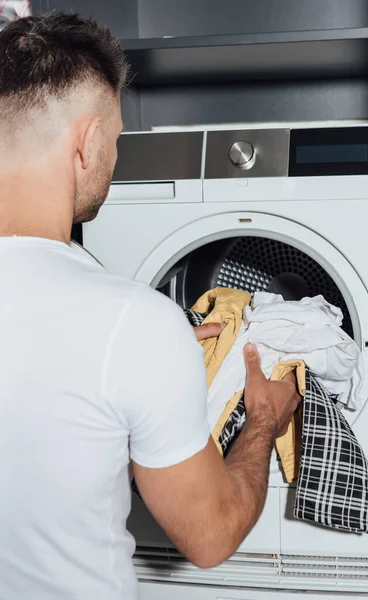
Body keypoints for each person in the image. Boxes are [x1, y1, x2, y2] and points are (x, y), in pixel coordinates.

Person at [0, 12, 301, 600]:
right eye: (115, 139)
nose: (113, 159)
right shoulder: (129, 322)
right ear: (87, 143)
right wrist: (265, 418)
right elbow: (210, 537)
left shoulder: (127, 332)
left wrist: (147, 363)